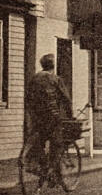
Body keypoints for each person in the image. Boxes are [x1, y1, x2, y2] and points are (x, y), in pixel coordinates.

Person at [26, 54, 73, 182]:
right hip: (52, 116)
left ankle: (39, 164)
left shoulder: (35, 78)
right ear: (53, 66)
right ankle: (51, 170)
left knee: (39, 139)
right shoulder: (56, 79)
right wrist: (70, 115)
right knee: (57, 143)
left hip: (36, 116)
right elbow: (66, 99)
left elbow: (28, 97)